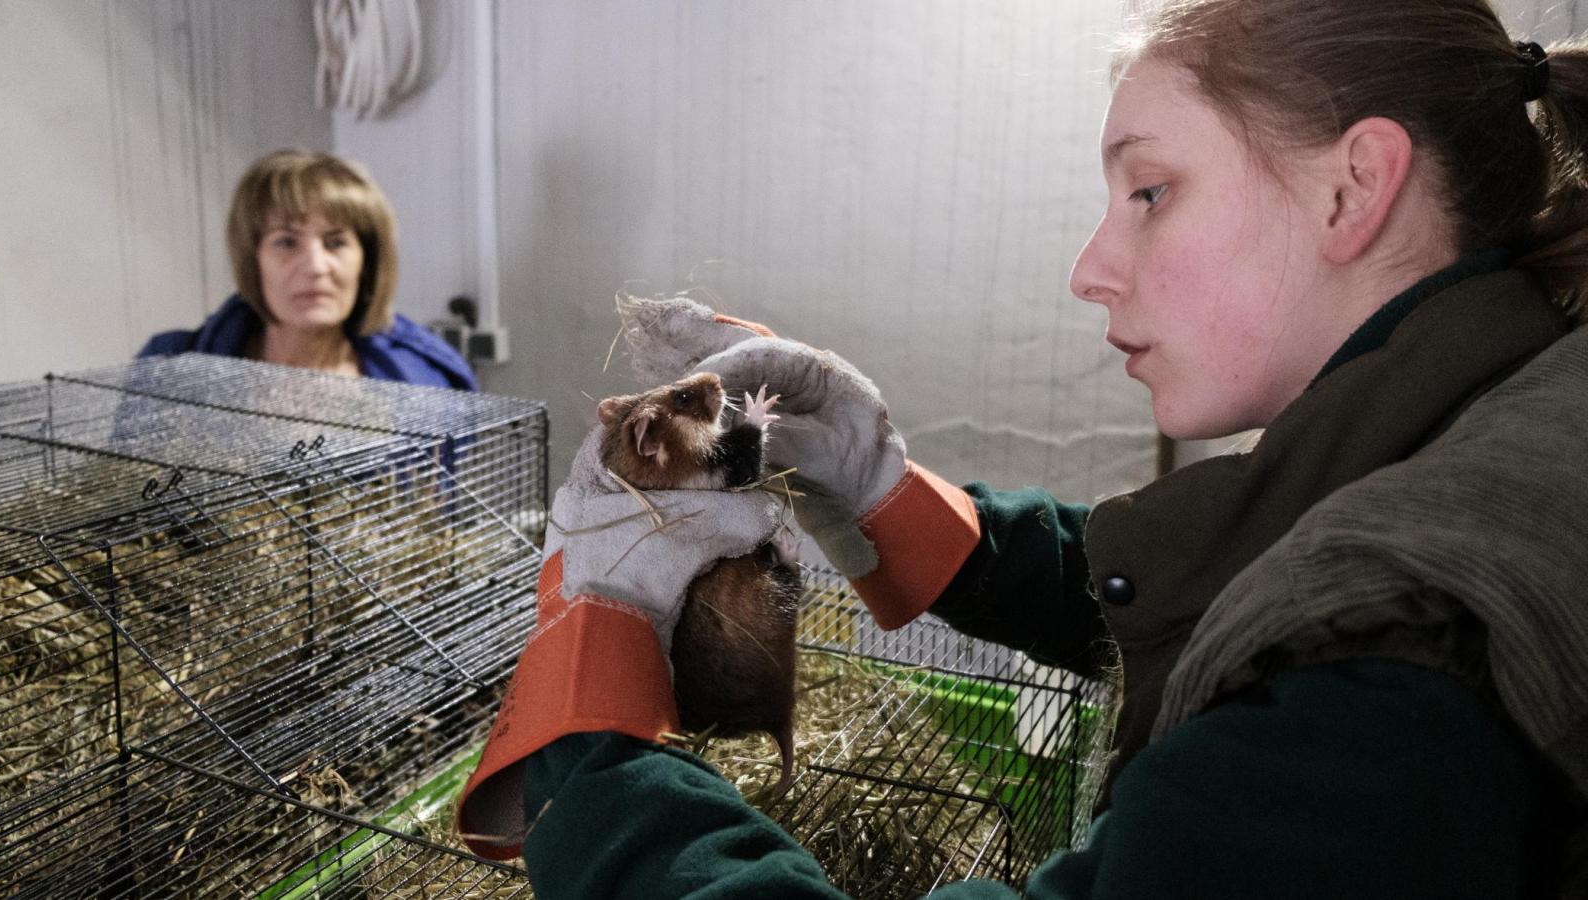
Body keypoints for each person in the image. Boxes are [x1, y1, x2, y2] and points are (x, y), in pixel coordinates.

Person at [457, 0, 1588, 896]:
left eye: (1150, 191)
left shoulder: (1386, 688)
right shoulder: (1485, 413)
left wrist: (588, 720)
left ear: (1355, 186)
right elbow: (1232, 571)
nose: (1090, 267)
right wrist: (882, 493)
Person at [139, 148, 476, 390]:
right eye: (286, 242)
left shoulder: (422, 383)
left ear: (367, 261)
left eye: (336, 243)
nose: (316, 267)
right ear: (253, 260)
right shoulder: (168, 373)